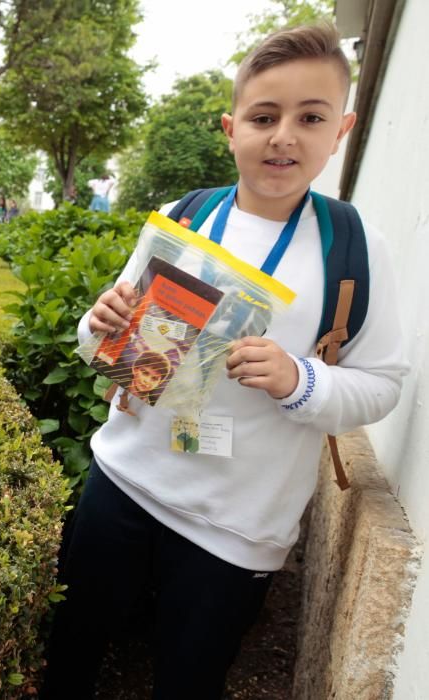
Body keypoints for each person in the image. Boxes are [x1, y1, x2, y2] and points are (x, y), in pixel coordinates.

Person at [42, 24, 408, 699]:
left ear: (343, 129)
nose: (283, 136)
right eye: (264, 116)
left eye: (311, 117)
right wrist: (98, 328)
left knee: (190, 683)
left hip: (235, 533)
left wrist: (299, 379)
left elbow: (384, 384)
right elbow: (103, 350)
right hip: (121, 484)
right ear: (230, 126)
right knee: (67, 659)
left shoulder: (353, 247)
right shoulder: (185, 218)